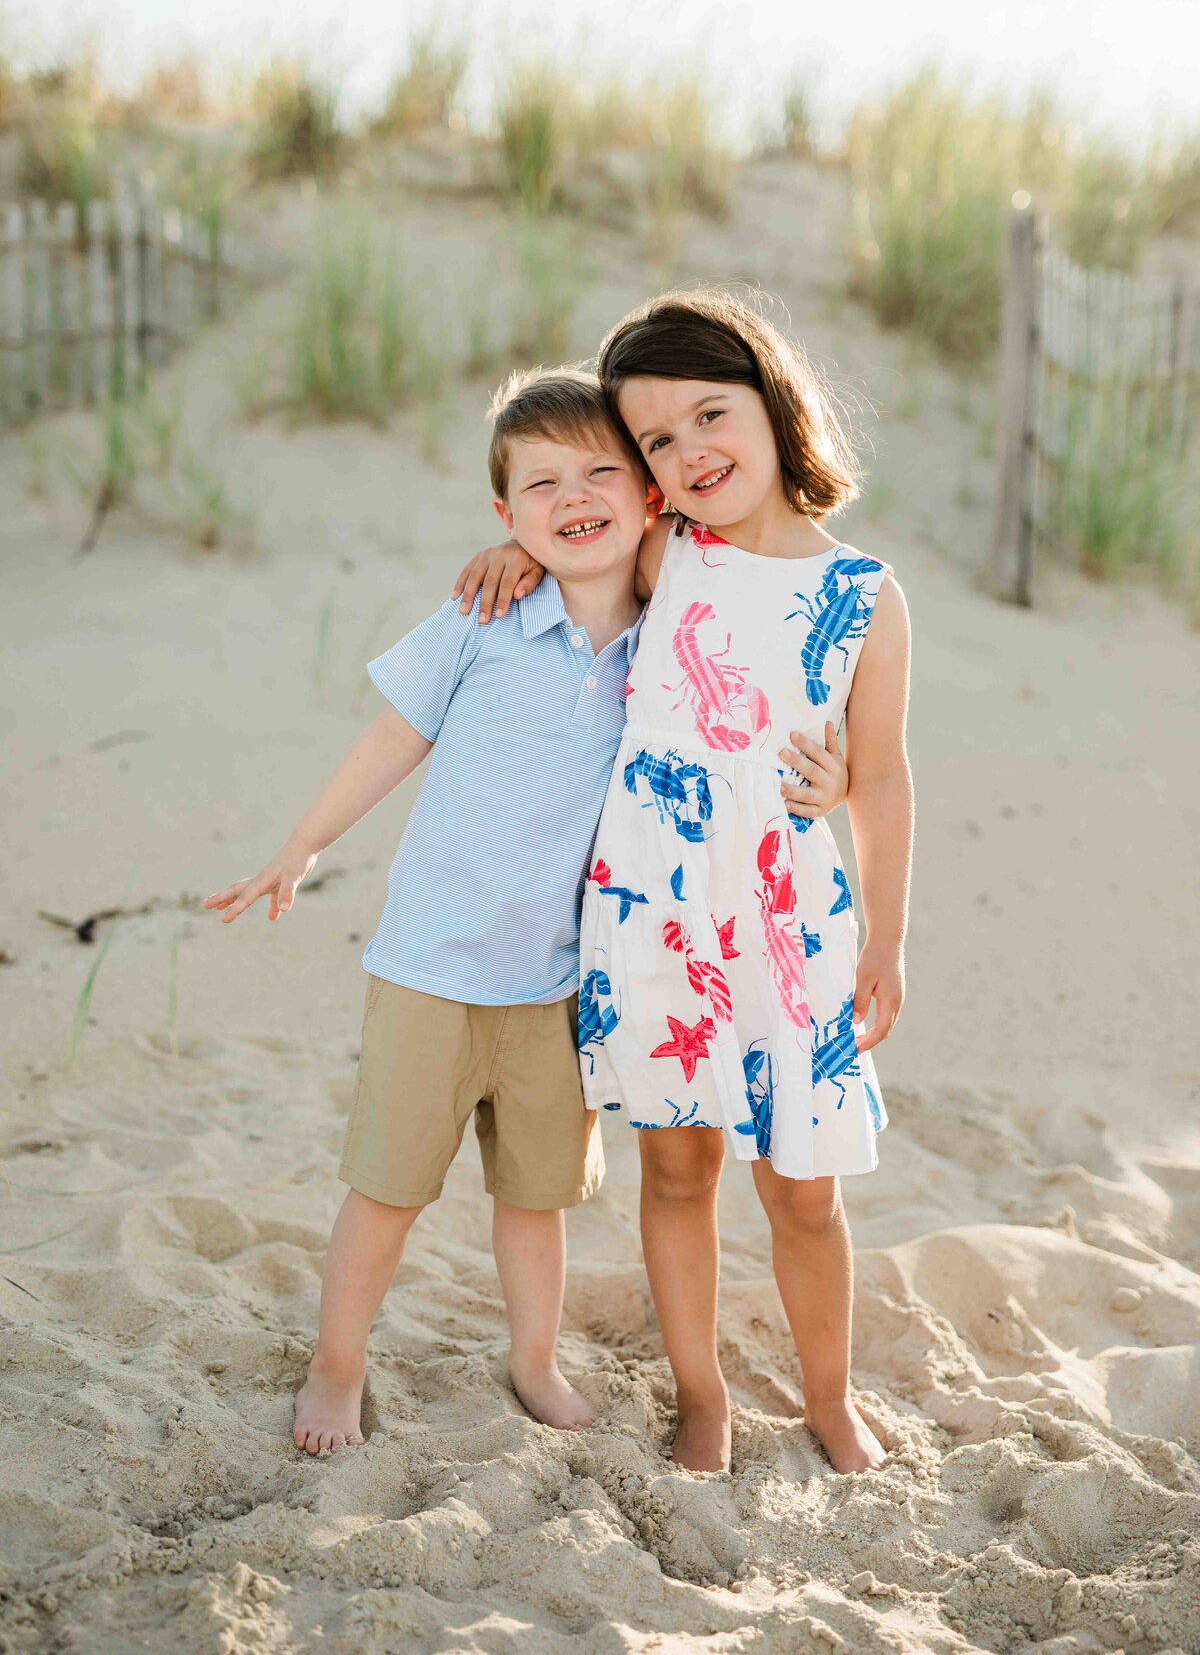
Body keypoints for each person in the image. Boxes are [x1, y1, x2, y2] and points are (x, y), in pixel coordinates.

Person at [202, 364, 849, 1457]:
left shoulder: (669, 635)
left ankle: (534, 1359)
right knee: (387, 1190)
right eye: (540, 486)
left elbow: (764, 702)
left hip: (562, 979)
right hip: (432, 969)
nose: (574, 497)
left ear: (651, 494)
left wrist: (829, 784)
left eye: (602, 471)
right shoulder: (483, 616)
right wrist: (302, 845)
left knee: (533, 1199)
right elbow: (392, 739)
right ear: (505, 516)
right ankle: (336, 1364)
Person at [454, 289, 913, 1477]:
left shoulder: (864, 592)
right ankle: (701, 1394)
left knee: (804, 1189)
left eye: (711, 414)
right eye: (656, 440)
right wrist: (523, 542)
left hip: (791, 919)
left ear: (773, 402)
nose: (690, 452)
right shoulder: (670, 553)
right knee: (676, 1165)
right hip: (658, 911)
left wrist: (886, 939)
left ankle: (829, 1397)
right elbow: (579, 539)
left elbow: (884, 780)